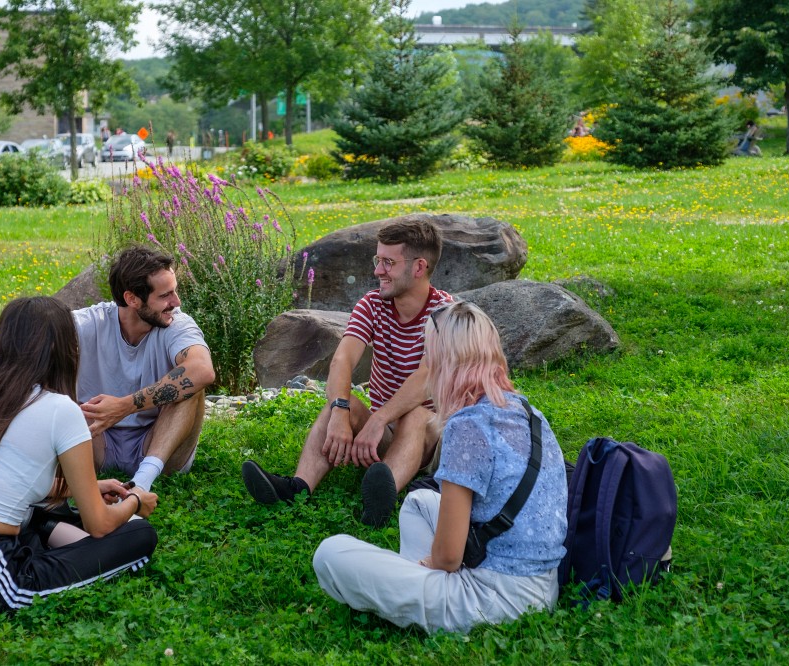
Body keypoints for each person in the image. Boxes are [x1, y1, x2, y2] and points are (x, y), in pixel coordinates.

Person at [313, 301, 568, 633]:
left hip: (498, 598)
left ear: (445, 361)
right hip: (544, 584)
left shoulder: (467, 426)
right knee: (418, 503)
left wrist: (430, 564)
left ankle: (418, 598)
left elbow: (447, 557)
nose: (426, 364)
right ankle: (417, 592)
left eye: (429, 354)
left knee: (329, 554)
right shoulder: (527, 411)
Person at [0, 297, 158, 614]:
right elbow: (100, 524)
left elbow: (5, 483)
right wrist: (136, 499)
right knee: (140, 536)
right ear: (63, 349)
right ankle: (51, 551)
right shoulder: (60, 409)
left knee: (41, 513)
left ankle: (49, 542)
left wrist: (88, 489)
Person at [242, 219, 451, 526]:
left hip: (432, 440)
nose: (378, 270)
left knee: (417, 415)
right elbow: (342, 361)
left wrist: (378, 419)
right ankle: (296, 488)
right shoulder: (373, 304)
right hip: (385, 434)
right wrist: (340, 411)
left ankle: (380, 498)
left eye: (388, 262)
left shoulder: (444, 311)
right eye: (377, 260)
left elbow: (426, 379)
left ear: (419, 267)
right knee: (344, 402)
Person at [74, 245, 214, 492]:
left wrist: (123, 406)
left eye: (175, 291)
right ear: (132, 299)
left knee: (190, 386)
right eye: (165, 296)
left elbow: (202, 370)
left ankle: (142, 481)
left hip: (158, 444)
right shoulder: (88, 323)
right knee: (52, 385)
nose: (176, 302)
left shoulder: (177, 325)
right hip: (96, 439)